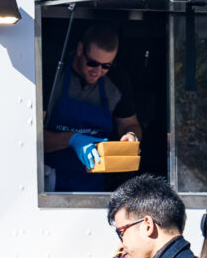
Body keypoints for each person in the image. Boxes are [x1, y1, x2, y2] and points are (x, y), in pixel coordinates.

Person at [44, 26, 143, 192]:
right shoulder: (52, 75)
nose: (97, 72)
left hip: (93, 184)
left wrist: (132, 137)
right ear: (80, 49)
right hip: (50, 182)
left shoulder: (117, 80)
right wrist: (72, 139)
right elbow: (33, 139)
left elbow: (130, 125)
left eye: (106, 66)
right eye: (92, 63)